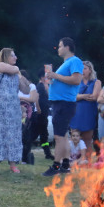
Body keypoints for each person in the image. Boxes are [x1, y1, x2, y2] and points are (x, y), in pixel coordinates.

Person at [43, 37, 83, 176]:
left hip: (64, 104)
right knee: (64, 136)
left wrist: (56, 76)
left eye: (60, 46)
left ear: (67, 47)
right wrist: (53, 80)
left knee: (59, 137)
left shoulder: (75, 61)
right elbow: (65, 81)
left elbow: (77, 80)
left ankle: (56, 166)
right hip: (61, 103)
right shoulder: (65, 63)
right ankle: (65, 164)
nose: (58, 48)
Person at [0, 47, 25, 173]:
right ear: (5, 57)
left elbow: (24, 88)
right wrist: (18, 71)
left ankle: (13, 164)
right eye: (13, 56)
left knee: (13, 135)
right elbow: (15, 69)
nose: (16, 58)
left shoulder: (14, 72)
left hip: (13, 108)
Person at [72, 61, 101, 154]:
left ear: (90, 70)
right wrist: (84, 96)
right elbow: (72, 96)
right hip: (76, 113)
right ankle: (74, 158)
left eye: (85, 68)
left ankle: (87, 160)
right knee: (74, 138)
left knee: (87, 139)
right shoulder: (76, 81)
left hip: (89, 113)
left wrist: (79, 96)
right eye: (81, 69)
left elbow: (94, 97)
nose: (82, 71)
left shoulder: (96, 82)